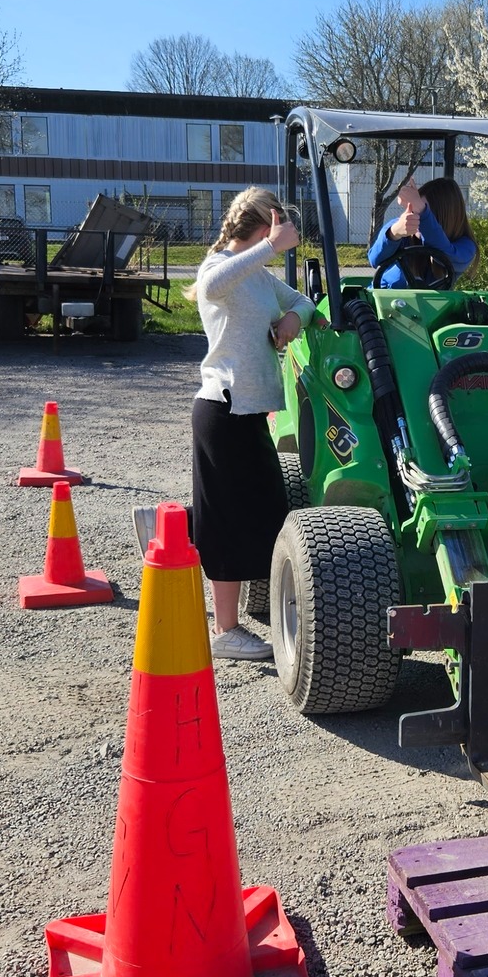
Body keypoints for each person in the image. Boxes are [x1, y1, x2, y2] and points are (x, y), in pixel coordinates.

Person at [183, 187, 314, 660]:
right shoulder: (221, 265)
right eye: (280, 229)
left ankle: (172, 527)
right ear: (267, 226)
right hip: (222, 408)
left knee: (266, 510)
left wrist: (293, 321)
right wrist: (271, 247)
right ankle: (226, 632)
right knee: (226, 520)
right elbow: (214, 285)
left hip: (252, 413)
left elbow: (304, 301)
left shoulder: (259, 276)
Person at [367, 176, 477, 286]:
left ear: (445, 216)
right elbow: (374, 259)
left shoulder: (466, 246)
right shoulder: (403, 228)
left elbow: (448, 258)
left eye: (423, 211)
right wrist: (394, 233)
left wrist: (423, 213)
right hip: (383, 300)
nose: (416, 215)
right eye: (414, 209)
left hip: (432, 303)